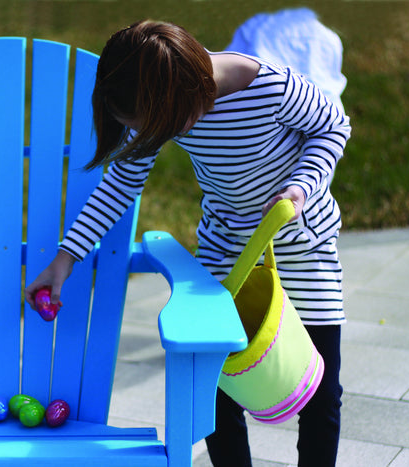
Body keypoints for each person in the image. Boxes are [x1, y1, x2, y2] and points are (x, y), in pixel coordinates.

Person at [24, 19, 350, 466]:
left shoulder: (269, 85)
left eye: (157, 125)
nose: (155, 134)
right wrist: (66, 258)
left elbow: (334, 127)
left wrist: (300, 187)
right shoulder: (162, 97)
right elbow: (121, 183)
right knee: (213, 389)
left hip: (301, 244)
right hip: (226, 248)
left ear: (180, 96)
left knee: (320, 388)